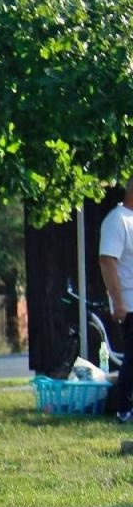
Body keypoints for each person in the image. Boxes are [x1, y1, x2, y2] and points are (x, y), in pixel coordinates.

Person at [98, 178, 133, 424]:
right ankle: (124, 408)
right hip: (129, 302)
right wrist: (118, 301)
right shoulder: (117, 220)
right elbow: (107, 260)